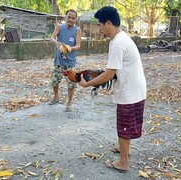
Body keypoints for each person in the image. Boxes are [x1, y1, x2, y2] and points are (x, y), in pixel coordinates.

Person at [78, 6, 146, 173]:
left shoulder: (118, 43)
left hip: (130, 91)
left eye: (100, 24)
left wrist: (87, 84)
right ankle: (125, 150)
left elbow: (109, 74)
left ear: (108, 23)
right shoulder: (120, 38)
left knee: (124, 126)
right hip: (134, 87)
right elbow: (113, 70)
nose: (99, 28)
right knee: (126, 124)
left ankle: (123, 162)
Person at [49, 9, 82, 112]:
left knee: (72, 84)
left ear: (76, 19)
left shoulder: (77, 30)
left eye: (73, 18)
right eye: (69, 17)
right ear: (65, 17)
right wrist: (57, 43)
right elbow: (52, 38)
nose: (71, 19)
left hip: (71, 62)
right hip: (59, 61)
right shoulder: (59, 27)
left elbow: (78, 45)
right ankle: (56, 96)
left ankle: (69, 102)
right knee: (55, 81)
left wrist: (70, 48)